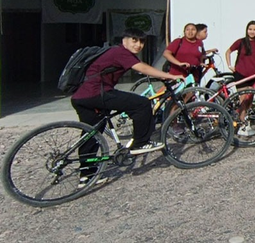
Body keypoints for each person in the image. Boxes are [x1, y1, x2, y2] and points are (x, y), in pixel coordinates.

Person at [72, 29, 183, 185]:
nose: (138, 44)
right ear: (124, 40)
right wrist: (170, 76)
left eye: (142, 42)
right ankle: (141, 143)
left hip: (82, 96)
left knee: (92, 133)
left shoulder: (114, 51)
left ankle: (86, 175)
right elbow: (143, 68)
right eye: (134, 40)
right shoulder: (120, 52)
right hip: (97, 93)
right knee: (142, 104)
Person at [224, 20, 255, 137]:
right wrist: (230, 65)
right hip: (241, 74)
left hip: (254, 75)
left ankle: (247, 124)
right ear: (247, 30)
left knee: (250, 100)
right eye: (250, 29)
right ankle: (242, 125)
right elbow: (228, 51)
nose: (252, 31)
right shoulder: (241, 42)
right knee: (243, 100)